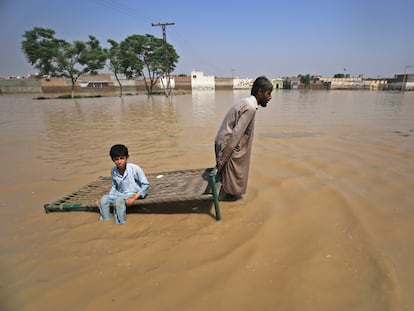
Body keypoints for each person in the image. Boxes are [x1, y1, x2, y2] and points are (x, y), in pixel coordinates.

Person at [214, 76, 273, 201]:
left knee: (232, 178)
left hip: (223, 140)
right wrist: (223, 160)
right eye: (269, 93)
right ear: (260, 92)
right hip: (227, 144)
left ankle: (227, 198)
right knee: (228, 181)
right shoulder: (250, 107)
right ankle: (219, 201)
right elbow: (236, 135)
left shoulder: (247, 102)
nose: (270, 97)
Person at [98, 144, 149, 224]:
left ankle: (122, 223)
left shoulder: (135, 168)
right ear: (112, 160)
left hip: (133, 193)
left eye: (122, 158)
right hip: (120, 193)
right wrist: (109, 197)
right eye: (116, 159)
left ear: (127, 157)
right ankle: (106, 222)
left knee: (118, 201)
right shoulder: (113, 170)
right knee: (103, 199)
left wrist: (134, 198)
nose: (119, 161)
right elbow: (114, 186)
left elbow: (145, 184)